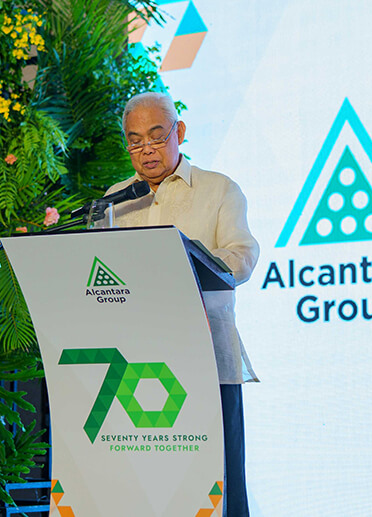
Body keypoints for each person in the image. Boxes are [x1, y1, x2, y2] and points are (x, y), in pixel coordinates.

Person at [105, 92, 259, 517]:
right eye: (135, 141)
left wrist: (185, 268)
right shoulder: (115, 200)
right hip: (134, 365)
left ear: (180, 132)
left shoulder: (218, 189)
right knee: (150, 488)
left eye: (157, 136)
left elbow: (242, 256)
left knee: (218, 487)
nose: (146, 149)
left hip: (206, 359)